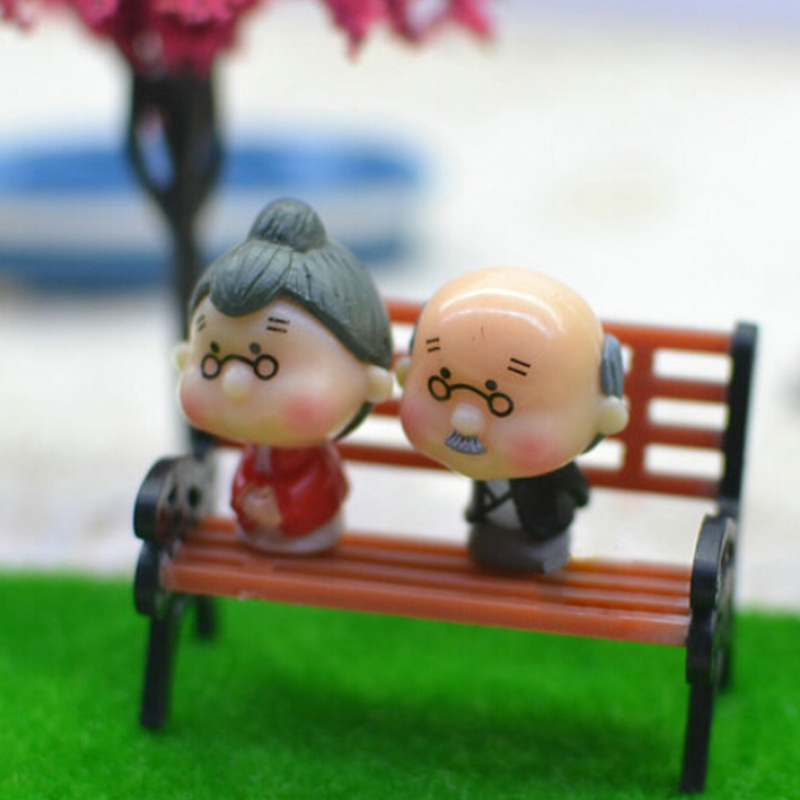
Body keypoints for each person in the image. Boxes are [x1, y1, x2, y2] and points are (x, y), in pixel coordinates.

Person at [175, 198, 393, 554]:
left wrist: (284, 506)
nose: (234, 383)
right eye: (213, 361)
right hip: (254, 534)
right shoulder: (256, 449)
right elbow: (245, 475)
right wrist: (245, 498)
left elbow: (324, 485)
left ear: (368, 381)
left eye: (266, 366)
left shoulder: (313, 458)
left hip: (310, 536)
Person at [397, 267, 628, 573]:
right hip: (487, 537)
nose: (464, 420)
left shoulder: (548, 472)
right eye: (441, 389)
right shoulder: (487, 462)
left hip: (542, 541)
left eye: (500, 405)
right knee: (486, 554)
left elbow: (576, 492)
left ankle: (544, 571)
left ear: (603, 415)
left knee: (540, 566)